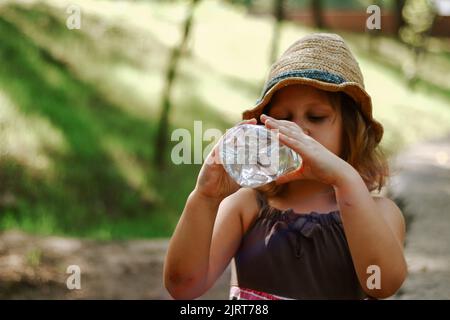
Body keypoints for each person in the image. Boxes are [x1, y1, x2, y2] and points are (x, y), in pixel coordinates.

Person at [163, 33, 407, 300]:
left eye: (316, 117)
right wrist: (205, 198)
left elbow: (382, 285)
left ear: (350, 130)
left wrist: (345, 179)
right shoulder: (247, 206)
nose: (297, 129)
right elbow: (182, 287)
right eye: (281, 119)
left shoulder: (378, 213)